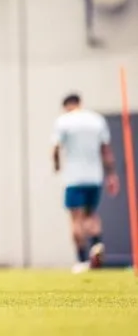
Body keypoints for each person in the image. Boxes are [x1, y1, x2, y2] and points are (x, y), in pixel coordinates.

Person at [52, 93, 119, 273]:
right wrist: (112, 174)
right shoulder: (96, 120)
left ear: (67, 106)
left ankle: (82, 260)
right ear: (80, 103)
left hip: (74, 177)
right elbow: (106, 150)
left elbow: (56, 147)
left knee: (76, 219)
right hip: (94, 177)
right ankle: (96, 245)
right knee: (91, 215)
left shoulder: (64, 121)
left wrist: (56, 165)